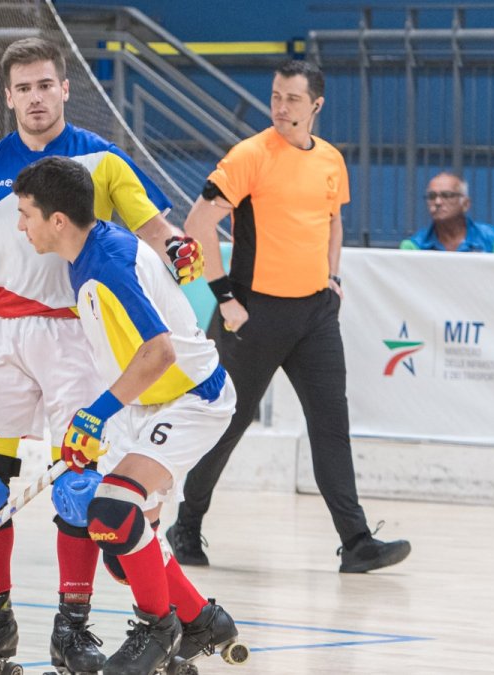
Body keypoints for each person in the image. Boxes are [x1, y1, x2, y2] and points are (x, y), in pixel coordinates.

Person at [0, 37, 203, 675]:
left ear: (65, 87)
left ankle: (71, 628)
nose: (36, 97)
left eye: (46, 84)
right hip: (1, 333)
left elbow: (151, 226)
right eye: (23, 88)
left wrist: (179, 246)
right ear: (8, 96)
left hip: (78, 338)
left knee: (79, 488)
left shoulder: (100, 158)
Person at [168, 59, 411, 573]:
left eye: (292, 99)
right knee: (228, 423)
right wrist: (224, 295)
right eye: (276, 96)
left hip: (315, 315)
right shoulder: (249, 156)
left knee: (331, 425)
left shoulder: (330, 160)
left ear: (316, 106)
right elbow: (197, 222)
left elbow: (333, 222)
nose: (280, 107)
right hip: (251, 314)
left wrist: (333, 277)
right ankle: (187, 526)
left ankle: (357, 541)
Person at [15, 155, 243, 675]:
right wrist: (100, 419)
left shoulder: (109, 261)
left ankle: (156, 629)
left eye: (25, 214)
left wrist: (96, 414)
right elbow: (123, 354)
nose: (19, 226)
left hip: (192, 399)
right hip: (144, 406)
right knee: (124, 545)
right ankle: (202, 621)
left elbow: (159, 352)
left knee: (115, 512)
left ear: (57, 221)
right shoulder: (83, 257)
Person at [400, 172, 494, 253]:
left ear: (465, 204)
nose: (438, 202)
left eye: (447, 195)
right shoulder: (414, 247)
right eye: (432, 196)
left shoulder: (492, 239)